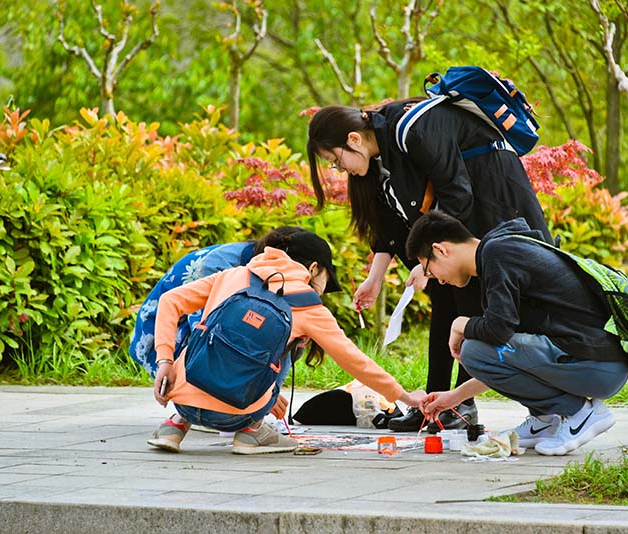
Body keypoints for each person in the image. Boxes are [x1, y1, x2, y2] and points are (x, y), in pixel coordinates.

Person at [306, 103, 552, 433]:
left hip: (492, 198)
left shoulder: (411, 133)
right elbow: (390, 227)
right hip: (456, 219)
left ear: (354, 139)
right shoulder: (381, 160)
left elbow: (457, 193)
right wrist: (376, 277)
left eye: (337, 161)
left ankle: (462, 404)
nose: (340, 169)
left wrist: (428, 261)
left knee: (469, 299)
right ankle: (435, 402)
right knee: (443, 302)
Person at [148, 227, 426, 454]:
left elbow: (170, 300)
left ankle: (174, 427)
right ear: (314, 268)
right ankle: (251, 432)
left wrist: (164, 360)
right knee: (292, 342)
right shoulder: (307, 305)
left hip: (181, 398)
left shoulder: (233, 275)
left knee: (205, 330)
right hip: (237, 414)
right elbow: (355, 361)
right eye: (325, 280)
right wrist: (404, 396)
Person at [407, 211, 628, 455]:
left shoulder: (497, 255)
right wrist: (455, 397)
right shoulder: (502, 252)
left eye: (429, 270)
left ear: (440, 250)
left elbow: (496, 333)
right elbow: (509, 358)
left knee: (472, 349)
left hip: (597, 363)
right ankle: (545, 419)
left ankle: (581, 413)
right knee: (478, 350)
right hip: (599, 364)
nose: (438, 280)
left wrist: (459, 323)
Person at [130, 227, 304, 377]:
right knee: (225, 338)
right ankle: (192, 404)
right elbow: (205, 335)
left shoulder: (261, 268)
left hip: (187, 330)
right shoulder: (220, 264)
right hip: (159, 337)